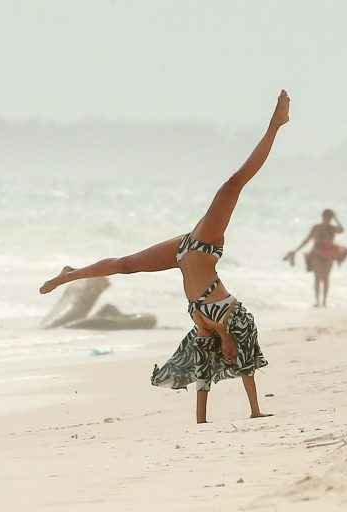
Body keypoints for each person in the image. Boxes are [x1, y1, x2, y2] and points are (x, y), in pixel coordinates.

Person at [39, 90, 291, 423]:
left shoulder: (204, 328)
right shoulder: (234, 323)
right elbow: (242, 354)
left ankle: (71, 274)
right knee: (233, 185)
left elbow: (205, 368)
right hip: (202, 245)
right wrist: (231, 343)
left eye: (226, 354)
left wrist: (203, 417)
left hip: (186, 253)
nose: (228, 355)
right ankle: (275, 125)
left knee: (126, 266)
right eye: (231, 353)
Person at [284, 209, 347, 308]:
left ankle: (324, 301)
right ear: (322, 217)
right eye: (326, 217)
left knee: (326, 278)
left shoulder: (332, 228)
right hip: (316, 254)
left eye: (329, 218)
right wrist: (296, 250)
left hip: (329, 254)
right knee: (317, 277)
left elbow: (342, 230)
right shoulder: (316, 228)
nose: (327, 220)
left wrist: (336, 218)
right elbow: (307, 240)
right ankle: (317, 301)